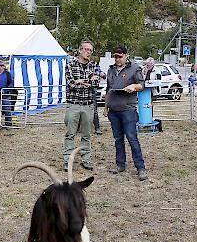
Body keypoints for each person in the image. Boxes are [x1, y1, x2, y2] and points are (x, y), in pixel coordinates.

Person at [104, 46, 148, 181]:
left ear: (126, 56)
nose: (117, 59)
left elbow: (142, 85)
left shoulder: (134, 68)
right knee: (118, 139)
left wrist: (134, 86)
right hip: (114, 111)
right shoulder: (111, 70)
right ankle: (120, 164)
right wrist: (106, 108)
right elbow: (108, 90)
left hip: (128, 110)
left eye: (120, 56)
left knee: (132, 138)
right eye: (115, 56)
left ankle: (140, 167)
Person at [63, 41, 103, 171]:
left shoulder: (94, 65)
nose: (88, 52)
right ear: (80, 50)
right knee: (70, 134)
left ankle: (86, 160)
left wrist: (81, 81)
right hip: (73, 104)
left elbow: (96, 82)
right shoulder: (70, 65)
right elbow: (70, 84)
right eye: (86, 49)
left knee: (87, 134)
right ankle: (67, 161)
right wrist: (86, 81)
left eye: (90, 50)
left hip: (88, 105)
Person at [0, 60, 13, 127]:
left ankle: (8, 124)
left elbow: (11, 84)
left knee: (7, 109)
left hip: (5, 94)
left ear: (2, 67)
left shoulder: (7, 74)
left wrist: (5, 90)